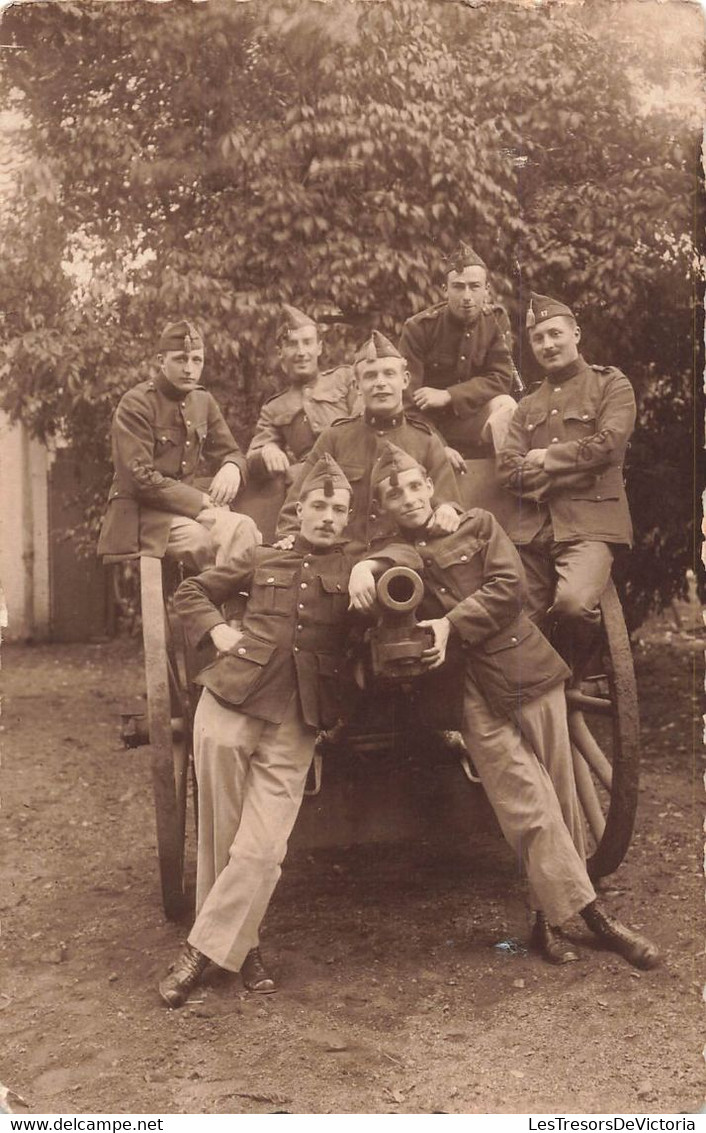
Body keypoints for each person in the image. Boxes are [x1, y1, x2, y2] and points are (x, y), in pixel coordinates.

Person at [350, 442, 659, 970]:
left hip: (527, 672)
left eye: (413, 486)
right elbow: (382, 588)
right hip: (465, 695)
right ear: (383, 507)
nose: (407, 498)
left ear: (431, 486)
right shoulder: (390, 556)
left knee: (560, 794)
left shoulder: (477, 524)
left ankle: (543, 921)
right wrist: (364, 566)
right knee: (527, 806)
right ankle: (596, 918)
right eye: (392, 494)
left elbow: (509, 587)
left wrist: (450, 623)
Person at [158, 454, 418, 1008]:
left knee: (262, 848)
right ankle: (245, 948)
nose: (327, 517)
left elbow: (409, 551)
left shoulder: (356, 566)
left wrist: (371, 567)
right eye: (318, 506)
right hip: (231, 699)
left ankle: (199, 952)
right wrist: (220, 634)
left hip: (299, 716)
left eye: (338, 509)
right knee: (222, 837)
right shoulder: (260, 557)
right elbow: (191, 594)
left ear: (348, 518)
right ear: (299, 511)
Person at [496, 292, 636, 657]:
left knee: (573, 606)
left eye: (555, 334)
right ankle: (540, 701)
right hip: (532, 532)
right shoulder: (527, 406)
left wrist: (547, 457)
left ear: (576, 334)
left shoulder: (610, 384)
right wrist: (576, 469)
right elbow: (509, 470)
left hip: (590, 524)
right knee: (514, 620)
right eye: (538, 338)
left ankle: (570, 683)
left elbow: (608, 446)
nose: (548, 344)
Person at [276, 330, 462, 555]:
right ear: (356, 386)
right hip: (340, 564)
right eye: (371, 376)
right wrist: (292, 541)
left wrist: (447, 511)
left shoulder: (426, 441)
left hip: (406, 564)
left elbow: (449, 504)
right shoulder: (335, 438)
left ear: (404, 380)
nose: (380, 383)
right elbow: (294, 510)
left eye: (389, 374)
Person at [97, 320, 258, 569]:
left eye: (196, 360)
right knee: (205, 542)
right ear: (162, 361)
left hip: (186, 511)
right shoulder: (136, 403)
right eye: (181, 359)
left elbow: (232, 452)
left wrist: (232, 467)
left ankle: (228, 604)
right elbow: (139, 478)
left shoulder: (202, 401)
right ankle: (214, 604)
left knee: (246, 528)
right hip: (144, 516)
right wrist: (200, 500)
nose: (189, 369)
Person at [398, 241, 518, 461]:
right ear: (445, 290)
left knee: (507, 406)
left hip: (472, 420)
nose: (467, 296)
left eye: (474, 286)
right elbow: (408, 404)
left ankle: (512, 479)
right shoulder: (418, 328)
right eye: (458, 286)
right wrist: (438, 446)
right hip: (428, 427)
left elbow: (501, 379)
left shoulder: (496, 320)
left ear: (486, 290)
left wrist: (448, 395)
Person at [246, 304, 359, 483]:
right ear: (280, 353)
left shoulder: (344, 378)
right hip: (309, 483)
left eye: (307, 342)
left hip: (355, 472)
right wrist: (267, 450)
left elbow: (365, 424)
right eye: (292, 344)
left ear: (319, 348)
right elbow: (253, 457)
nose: (301, 352)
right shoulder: (274, 408)